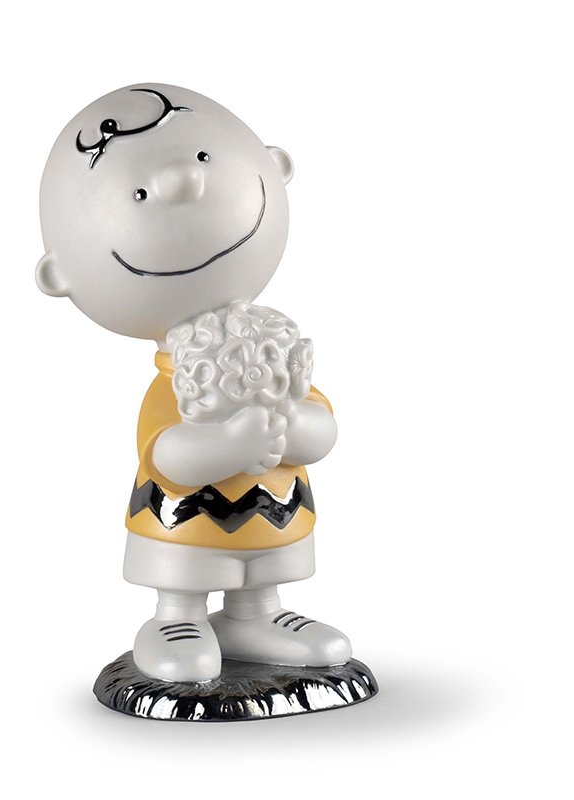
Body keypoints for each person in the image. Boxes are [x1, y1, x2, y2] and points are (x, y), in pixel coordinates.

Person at [36, 84, 351, 682]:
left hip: (275, 510)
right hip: (187, 520)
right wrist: (230, 444)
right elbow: (166, 458)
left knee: (266, 569)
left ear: (274, 167)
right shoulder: (173, 384)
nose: (184, 179)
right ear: (60, 274)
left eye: (205, 157)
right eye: (136, 193)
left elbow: (324, 431)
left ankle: (256, 615)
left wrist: (295, 425)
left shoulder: (279, 350)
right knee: (189, 569)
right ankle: (176, 618)